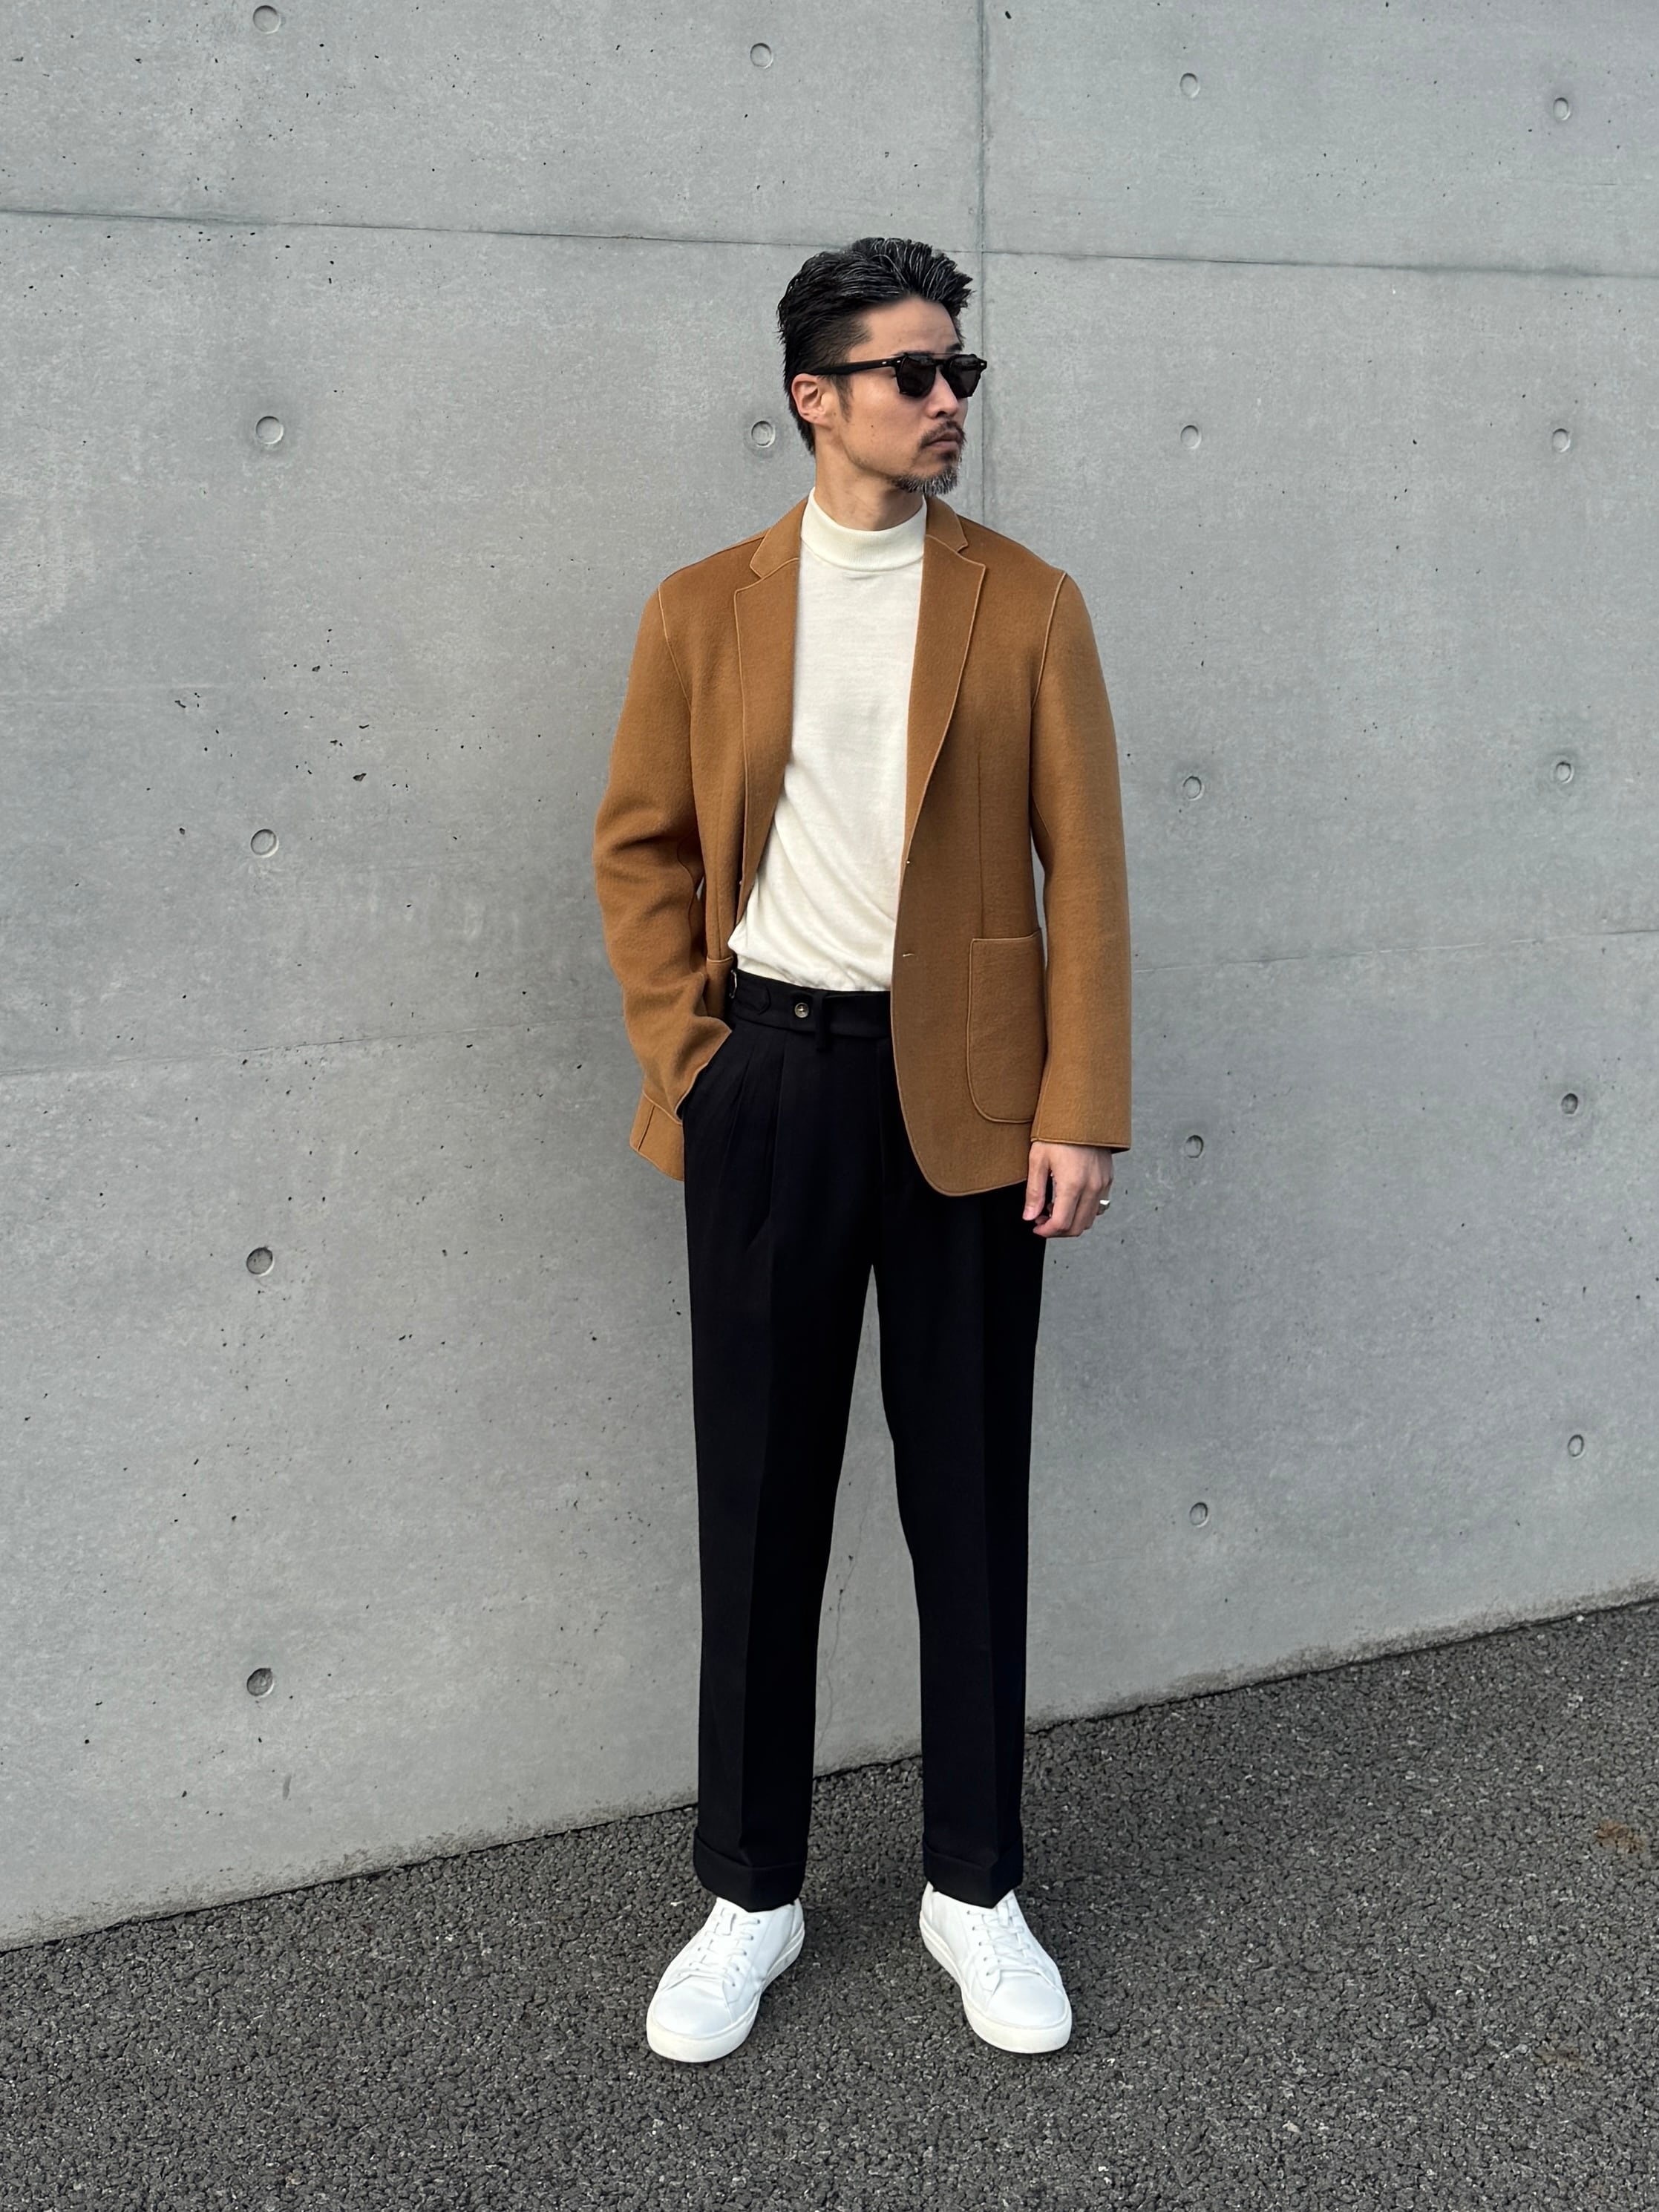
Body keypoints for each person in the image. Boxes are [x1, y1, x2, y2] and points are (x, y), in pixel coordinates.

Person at [591, 235, 1130, 2062]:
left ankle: (973, 1885)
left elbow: (1086, 867)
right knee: (759, 1498)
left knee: (967, 1496)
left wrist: (1078, 1100)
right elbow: (640, 846)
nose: (946, 399)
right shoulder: (704, 606)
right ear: (813, 396)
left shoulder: (1026, 601)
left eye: (960, 369)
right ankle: (749, 1891)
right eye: (912, 372)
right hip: (769, 1083)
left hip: (968, 1106)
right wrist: (692, 1058)